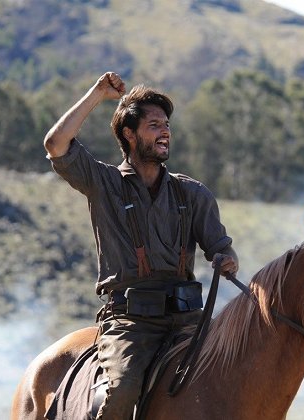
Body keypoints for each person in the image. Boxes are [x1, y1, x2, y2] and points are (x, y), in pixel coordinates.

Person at [43, 72, 239, 419]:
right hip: (131, 323)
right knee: (120, 393)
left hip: (189, 322)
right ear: (129, 135)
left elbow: (221, 248)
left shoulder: (193, 194)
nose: (165, 131)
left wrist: (226, 259)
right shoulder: (104, 184)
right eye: (153, 125)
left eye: (166, 125)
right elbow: (56, 145)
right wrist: (97, 94)